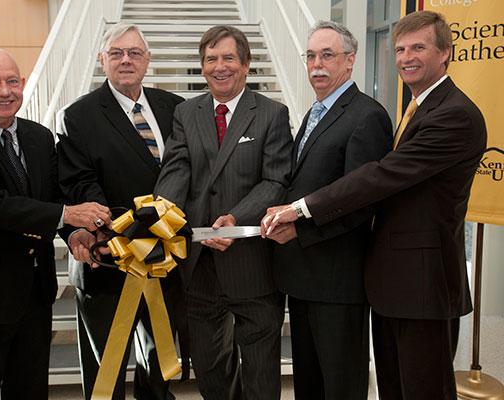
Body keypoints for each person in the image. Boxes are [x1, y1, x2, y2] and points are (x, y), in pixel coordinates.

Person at [262, 10, 486, 400]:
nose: (406, 57)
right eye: (400, 49)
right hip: (395, 282)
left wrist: (301, 210)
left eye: (419, 47)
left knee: (424, 389)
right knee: (395, 389)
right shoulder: (418, 108)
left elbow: (379, 177)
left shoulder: (455, 115)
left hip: (424, 281)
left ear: (446, 53)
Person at [0, 48, 110, 400]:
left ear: (23, 83)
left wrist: (75, 236)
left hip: (33, 294)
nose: (5, 91)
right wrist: (69, 216)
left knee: (29, 391)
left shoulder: (39, 137)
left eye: (12, 81)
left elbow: (53, 195)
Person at [155, 25, 292, 400]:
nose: (220, 67)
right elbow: (176, 169)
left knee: (261, 372)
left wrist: (235, 219)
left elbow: (275, 180)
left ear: (246, 64)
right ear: (202, 67)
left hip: (252, 263)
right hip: (199, 266)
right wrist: (161, 216)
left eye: (229, 58)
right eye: (211, 59)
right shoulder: (186, 112)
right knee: (211, 369)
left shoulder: (271, 114)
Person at [265, 21, 392, 400]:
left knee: (340, 386)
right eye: (311, 56)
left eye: (327, 55)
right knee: (310, 384)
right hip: (304, 277)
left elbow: (361, 200)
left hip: (337, 281)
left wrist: (299, 229)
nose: (316, 65)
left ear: (350, 60)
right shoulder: (316, 112)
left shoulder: (367, 116)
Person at [57, 23, 184, 400]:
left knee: (158, 366)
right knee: (105, 374)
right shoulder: (77, 116)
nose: (126, 59)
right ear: (102, 60)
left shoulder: (174, 107)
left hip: (165, 261)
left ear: (147, 60)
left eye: (134, 53)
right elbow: (80, 184)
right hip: (107, 260)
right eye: (116, 53)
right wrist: (124, 233)